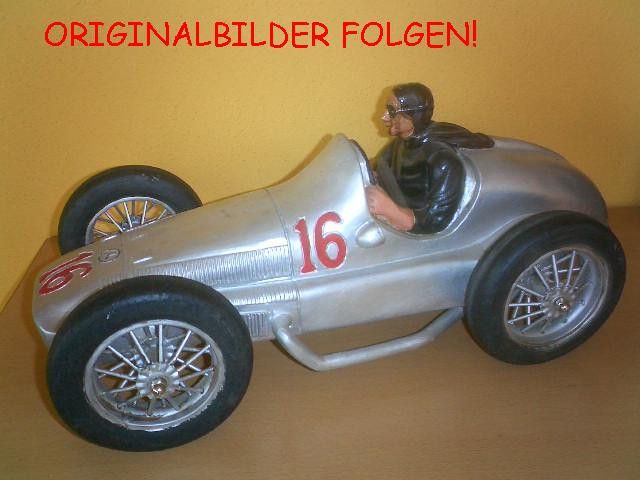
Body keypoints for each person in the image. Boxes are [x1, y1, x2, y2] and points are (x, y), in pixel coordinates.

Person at [366, 82, 492, 234]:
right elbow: (378, 164)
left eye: (392, 111)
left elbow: (437, 221)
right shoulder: (401, 144)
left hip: (422, 240)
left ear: (413, 115)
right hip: (397, 218)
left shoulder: (442, 161)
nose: (384, 116)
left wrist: (391, 210)